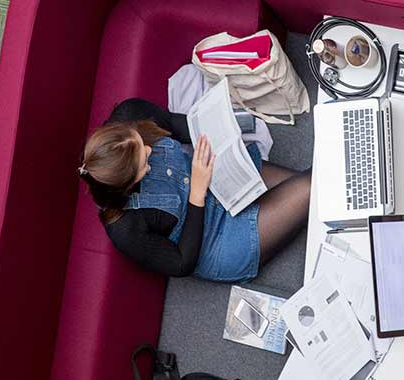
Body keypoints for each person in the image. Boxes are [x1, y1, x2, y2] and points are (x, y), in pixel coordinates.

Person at [78, 98, 311, 282]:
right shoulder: (125, 228)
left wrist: (220, 135)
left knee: (317, 185)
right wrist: (197, 194)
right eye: (143, 164)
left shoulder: (131, 112)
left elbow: (176, 125)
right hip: (215, 239)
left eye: (141, 143)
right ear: (127, 186)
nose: (149, 150)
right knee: (312, 188)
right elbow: (182, 264)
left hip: (214, 175)